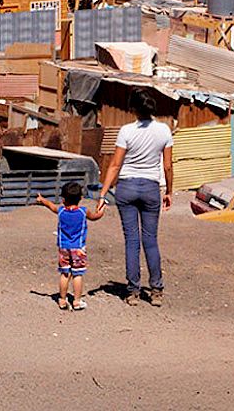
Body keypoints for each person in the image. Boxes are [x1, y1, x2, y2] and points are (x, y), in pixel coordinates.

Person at [97, 92, 173, 307]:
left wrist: (102, 194)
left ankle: (133, 292)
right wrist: (169, 191)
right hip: (150, 188)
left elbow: (114, 165)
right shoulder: (164, 130)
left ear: (133, 109)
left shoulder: (126, 131)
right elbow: (167, 165)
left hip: (126, 188)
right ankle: (156, 290)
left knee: (132, 241)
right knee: (150, 240)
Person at [35, 182, 106, 311]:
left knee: (64, 273)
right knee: (77, 274)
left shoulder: (61, 211)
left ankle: (62, 300)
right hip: (78, 247)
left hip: (63, 247)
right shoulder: (83, 212)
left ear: (63, 198)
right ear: (80, 198)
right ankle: (77, 301)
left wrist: (42, 200)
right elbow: (96, 217)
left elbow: (50, 205)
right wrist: (102, 209)